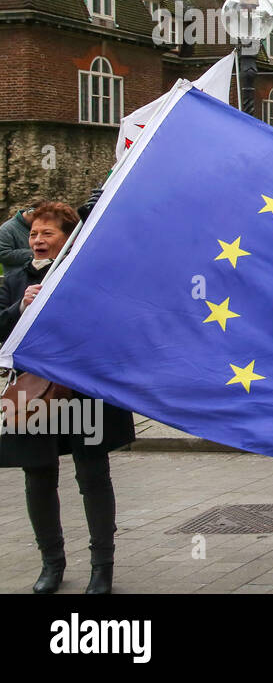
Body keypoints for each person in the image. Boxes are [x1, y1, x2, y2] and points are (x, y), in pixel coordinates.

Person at [0, 199, 135, 594]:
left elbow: (112, 328)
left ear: (67, 238)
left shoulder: (89, 275)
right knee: (38, 476)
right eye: (34, 234)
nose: (38, 240)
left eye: (48, 233)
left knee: (92, 476)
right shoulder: (15, 279)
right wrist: (18, 308)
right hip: (33, 396)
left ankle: (102, 568)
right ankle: (51, 565)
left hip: (83, 393)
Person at [0, 204, 35, 278]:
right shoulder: (6, 229)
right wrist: (35, 254)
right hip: (17, 280)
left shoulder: (36, 226)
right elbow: (3, 254)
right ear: (31, 213)